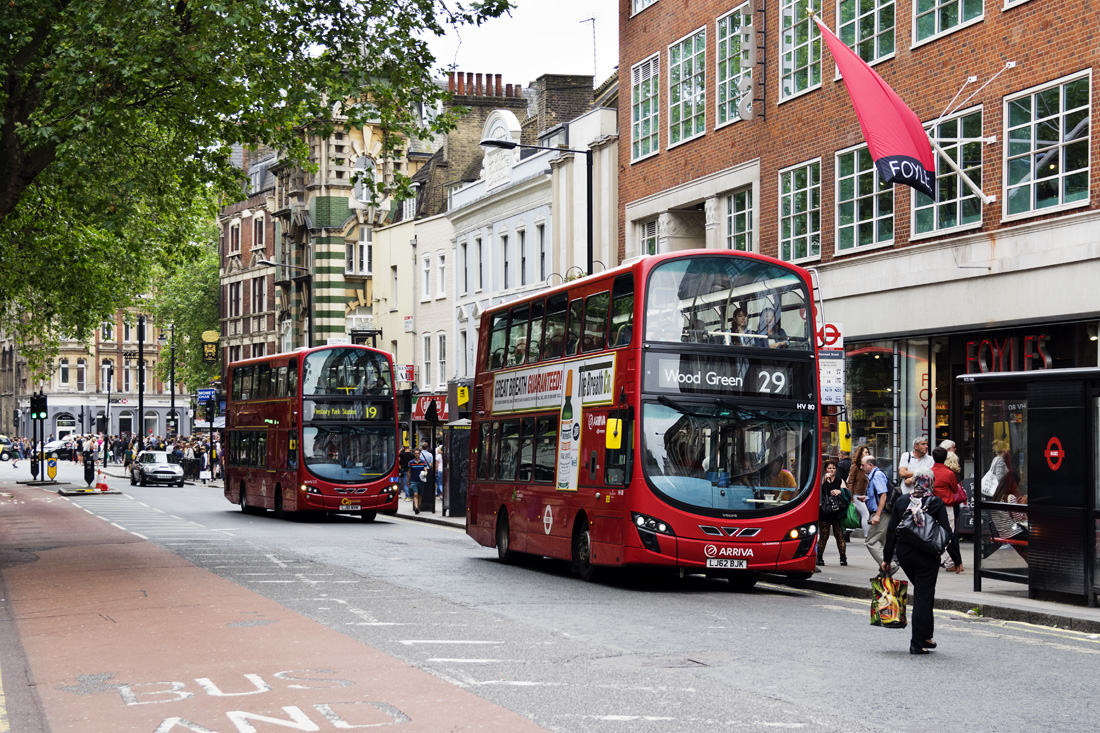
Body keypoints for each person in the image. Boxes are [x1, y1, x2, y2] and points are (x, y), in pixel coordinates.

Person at [881, 468, 964, 655]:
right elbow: (947, 534)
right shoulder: (935, 503)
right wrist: (956, 559)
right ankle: (917, 642)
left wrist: (887, 559)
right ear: (931, 483)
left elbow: (892, 531)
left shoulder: (902, 501)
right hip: (927, 556)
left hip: (905, 555)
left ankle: (927, 636)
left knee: (924, 594)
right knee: (923, 596)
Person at [990, 452, 1028, 562]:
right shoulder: (1010, 497)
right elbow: (1019, 518)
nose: (1017, 488)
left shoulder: (997, 496)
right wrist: (1023, 505)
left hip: (1003, 532)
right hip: (1013, 533)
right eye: (1016, 485)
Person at [930, 446, 963, 569]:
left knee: (932, 532)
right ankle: (950, 562)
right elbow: (955, 489)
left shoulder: (929, 471)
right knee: (950, 534)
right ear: (945, 458)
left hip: (932, 506)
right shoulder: (949, 473)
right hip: (947, 505)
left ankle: (932, 558)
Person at [860, 454, 891, 567]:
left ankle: (890, 566)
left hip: (881, 514)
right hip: (881, 513)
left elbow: (883, 495)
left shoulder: (877, 475)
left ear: (870, 465)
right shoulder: (874, 476)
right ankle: (884, 571)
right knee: (882, 543)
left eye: (863, 465)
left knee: (871, 541)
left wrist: (877, 515)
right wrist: (867, 498)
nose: (861, 467)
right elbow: (877, 495)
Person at [817, 459, 850, 567]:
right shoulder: (821, 480)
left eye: (834, 468)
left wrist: (840, 491)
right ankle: (819, 557)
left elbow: (847, 493)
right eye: (829, 468)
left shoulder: (839, 480)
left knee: (840, 535)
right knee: (823, 536)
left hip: (837, 512)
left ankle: (843, 557)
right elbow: (817, 492)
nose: (832, 470)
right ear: (825, 469)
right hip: (825, 513)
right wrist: (823, 480)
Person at [847, 444, 871, 532]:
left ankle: (847, 532)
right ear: (860, 454)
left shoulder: (868, 467)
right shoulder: (855, 467)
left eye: (868, 452)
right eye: (865, 452)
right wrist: (850, 497)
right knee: (865, 514)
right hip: (857, 495)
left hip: (863, 495)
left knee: (856, 515)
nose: (867, 453)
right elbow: (850, 482)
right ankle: (867, 535)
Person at [407, 445, 430, 515]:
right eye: (415, 453)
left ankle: (418, 507)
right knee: (415, 494)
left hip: (421, 481)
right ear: (414, 454)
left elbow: (426, 470)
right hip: (413, 481)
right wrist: (408, 481)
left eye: (418, 453)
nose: (416, 454)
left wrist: (426, 473)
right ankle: (416, 507)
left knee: (420, 495)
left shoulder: (423, 462)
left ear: (420, 454)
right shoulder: (411, 462)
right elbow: (409, 472)